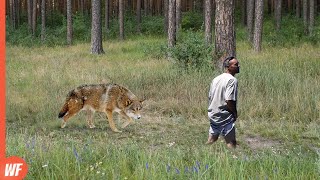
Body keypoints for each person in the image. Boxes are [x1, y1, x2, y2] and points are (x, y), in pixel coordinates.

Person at [206, 56, 240, 148]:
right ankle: (232, 160)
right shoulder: (232, 80)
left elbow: (210, 96)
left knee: (212, 139)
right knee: (231, 143)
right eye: (236, 64)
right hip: (224, 116)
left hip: (213, 114)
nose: (238, 66)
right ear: (228, 66)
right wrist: (234, 113)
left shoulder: (216, 79)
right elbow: (229, 100)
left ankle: (202, 153)